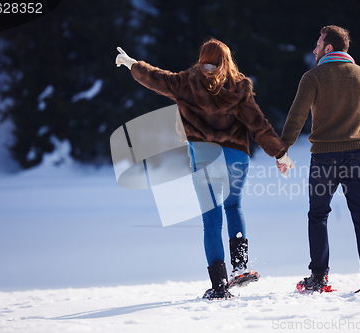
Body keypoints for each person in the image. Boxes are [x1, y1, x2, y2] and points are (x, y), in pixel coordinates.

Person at [116, 38, 286, 299]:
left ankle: (219, 287)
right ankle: (240, 267)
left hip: (205, 157)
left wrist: (131, 64)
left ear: (201, 56)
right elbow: (258, 124)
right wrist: (280, 152)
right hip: (237, 158)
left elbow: (156, 78)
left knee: (212, 218)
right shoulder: (239, 85)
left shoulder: (186, 81)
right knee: (234, 207)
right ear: (227, 59)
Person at [276, 25, 360, 293]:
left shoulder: (313, 77)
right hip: (358, 157)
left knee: (318, 215)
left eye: (318, 44)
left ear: (329, 48)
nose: (314, 49)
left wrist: (283, 149)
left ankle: (318, 277)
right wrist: (359, 136)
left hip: (324, 159)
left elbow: (297, 117)